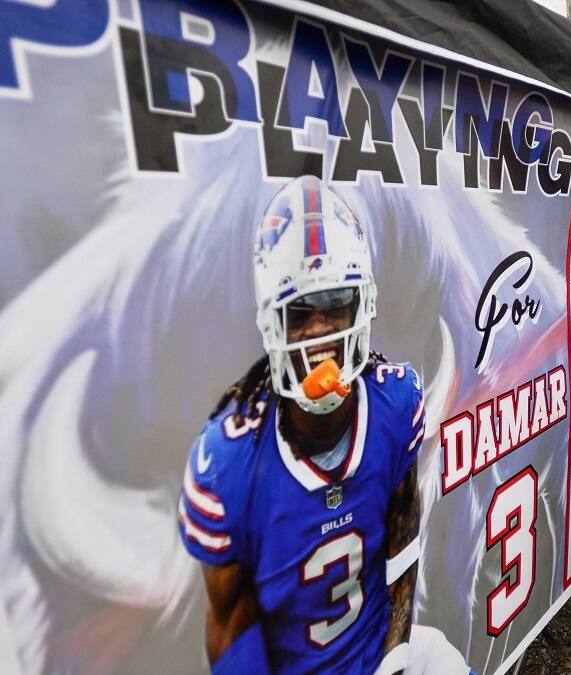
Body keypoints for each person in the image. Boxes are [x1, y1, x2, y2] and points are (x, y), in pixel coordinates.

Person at [177, 176, 427, 674]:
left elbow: (401, 551)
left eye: (336, 302)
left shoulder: (396, 403)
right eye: (299, 312)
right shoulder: (228, 462)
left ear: (362, 305)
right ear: (273, 323)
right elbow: (230, 627)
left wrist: (395, 665)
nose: (318, 330)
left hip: (383, 657)